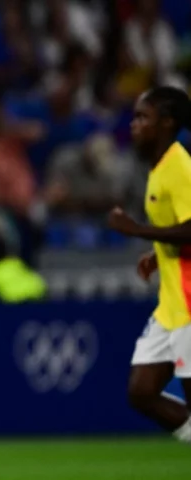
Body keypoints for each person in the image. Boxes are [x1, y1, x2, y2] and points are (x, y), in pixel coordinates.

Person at [107, 86, 191, 443]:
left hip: (189, 305)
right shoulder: (159, 168)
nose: (134, 124)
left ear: (167, 123)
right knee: (141, 392)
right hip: (171, 304)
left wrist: (138, 230)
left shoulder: (180, 167)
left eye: (143, 117)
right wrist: (158, 254)